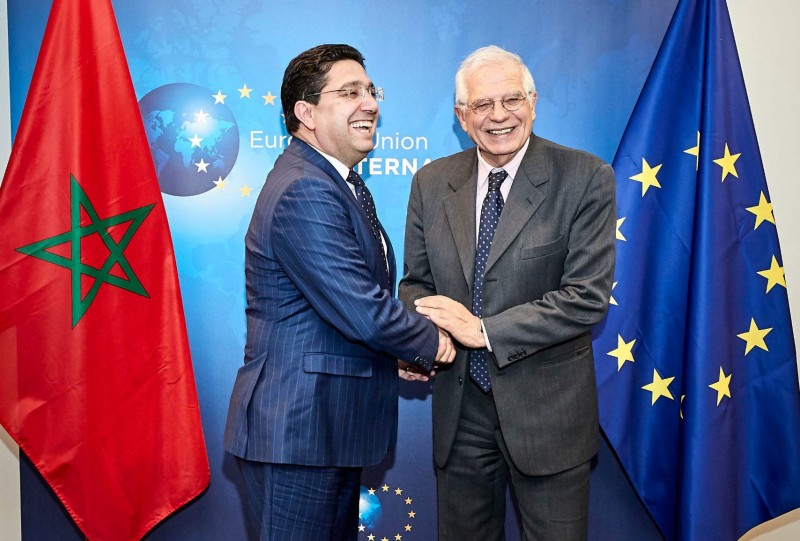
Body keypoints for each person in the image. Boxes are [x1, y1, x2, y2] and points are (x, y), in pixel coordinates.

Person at [224, 44, 454, 541]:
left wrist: (394, 353)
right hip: (299, 434)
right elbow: (363, 309)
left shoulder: (337, 182)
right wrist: (435, 341)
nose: (370, 103)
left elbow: (340, 308)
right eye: (350, 93)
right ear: (306, 114)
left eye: (370, 91)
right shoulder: (305, 188)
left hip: (327, 430)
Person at [399, 45, 616, 540]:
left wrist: (483, 331)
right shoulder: (431, 182)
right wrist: (420, 338)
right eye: (482, 104)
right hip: (460, 413)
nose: (499, 116)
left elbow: (586, 297)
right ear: (461, 116)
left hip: (549, 416)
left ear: (533, 103)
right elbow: (416, 284)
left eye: (511, 99)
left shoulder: (584, 177)